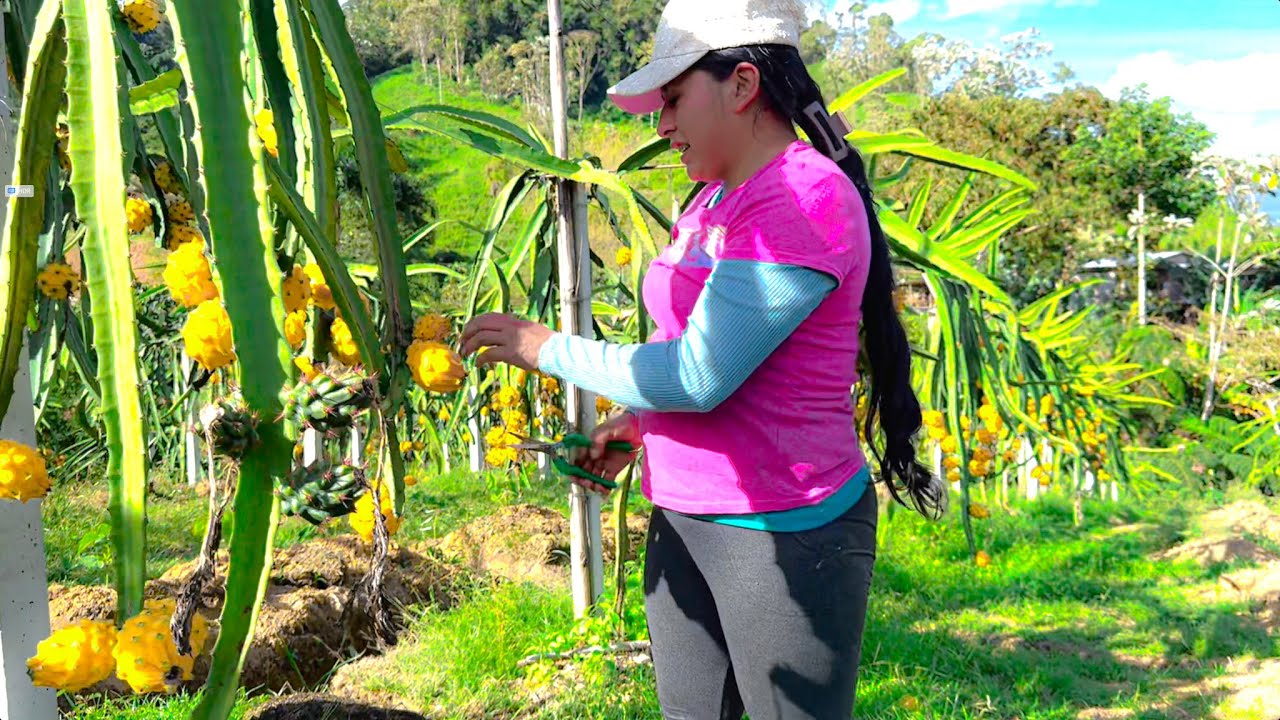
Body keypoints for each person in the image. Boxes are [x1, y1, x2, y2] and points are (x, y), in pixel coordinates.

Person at [460, 0, 943, 716]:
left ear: (743, 85)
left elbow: (699, 377)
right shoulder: (713, 199)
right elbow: (697, 349)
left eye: (675, 98)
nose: (660, 124)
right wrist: (640, 424)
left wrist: (542, 347)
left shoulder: (801, 201)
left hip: (783, 527)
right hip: (684, 512)